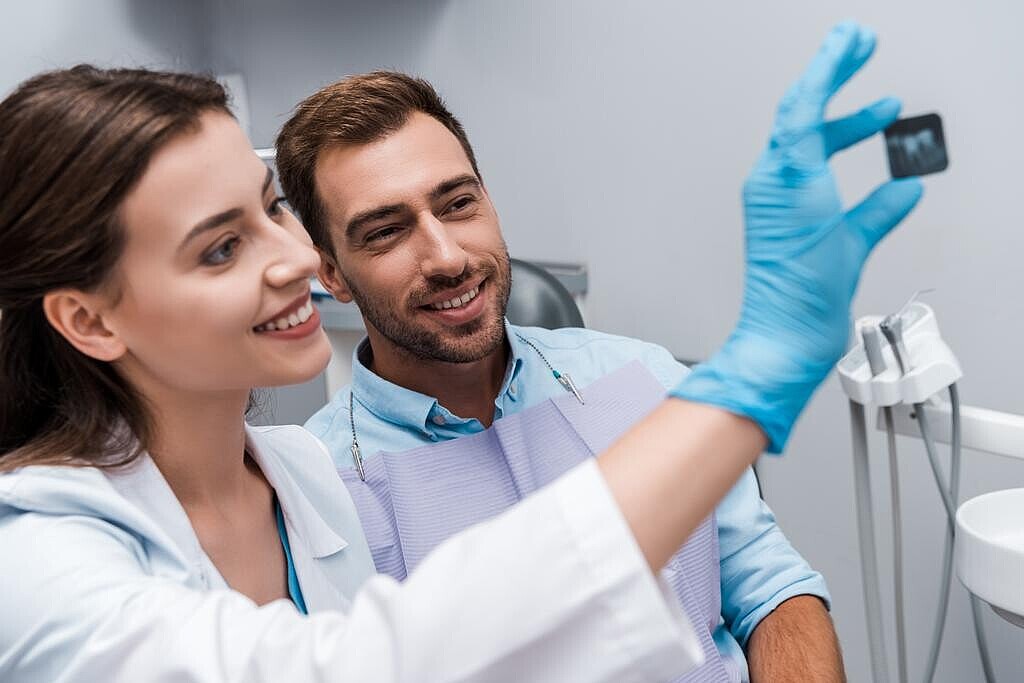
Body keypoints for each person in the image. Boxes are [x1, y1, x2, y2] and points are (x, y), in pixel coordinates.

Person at [0, 22, 920, 683]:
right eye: (220, 247)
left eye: (270, 208)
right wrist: (754, 375)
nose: (293, 262)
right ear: (89, 320)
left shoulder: (290, 478)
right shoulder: (39, 562)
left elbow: (764, 589)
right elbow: (378, 662)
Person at [275, 23, 902, 683]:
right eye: (386, 231)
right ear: (331, 272)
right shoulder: (314, 492)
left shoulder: (643, 377)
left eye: (458, 203)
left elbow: (773, 589)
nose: (448, 257)